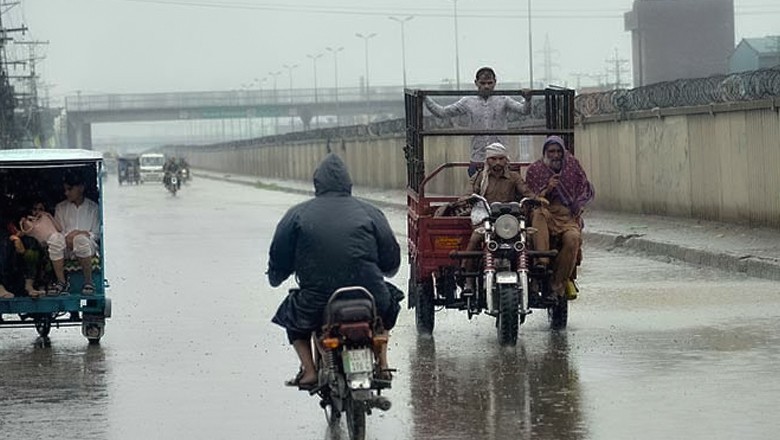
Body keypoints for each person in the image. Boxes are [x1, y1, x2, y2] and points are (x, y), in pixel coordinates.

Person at [267, 153, 403, 390]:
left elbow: (280, 255)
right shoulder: (371, 212)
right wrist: (386, 272)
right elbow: (390, 258)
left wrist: (276, 276)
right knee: (387, 307)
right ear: (347, 183)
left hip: (318, 298)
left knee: (292, 314)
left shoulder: (297, 214)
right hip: (369, 294)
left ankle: (308, 370)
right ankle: (382, 364)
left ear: (317, 184)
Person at [424, 67, 532, 177]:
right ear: (476, 83)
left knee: (501, 192)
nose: (486, 86)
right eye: (483, 83)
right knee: (477, 191)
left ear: (495, 82)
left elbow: (524, 111)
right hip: (478, 158)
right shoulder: (468, 101)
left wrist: (528, 99)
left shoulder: (503, 100)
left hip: (500, 158)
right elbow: (442, 112)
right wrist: (425, 98)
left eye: (489, 83)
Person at [525, 135, 595, 299]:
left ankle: (558, 284)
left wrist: (578, 205)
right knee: (539, 213)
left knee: (573, 238)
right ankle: (542, 262)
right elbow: (530, 198)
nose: (555, 155)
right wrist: (547, 189)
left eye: (558, 151)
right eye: (551, 151)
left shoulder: (573, 166)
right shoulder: (535, 170)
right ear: (545, 152)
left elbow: (584, 189)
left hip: (566, 216)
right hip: (544, 212)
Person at [461, 142, 536, 294]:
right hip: (487, 220)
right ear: (487, 160)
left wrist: (534, 198)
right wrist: (467, 198)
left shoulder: (514, 177)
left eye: (501, 159)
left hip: (510, 222)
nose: (497, 163)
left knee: (529, 240)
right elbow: (469, 192)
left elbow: (525, 191)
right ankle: (468, 278)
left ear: (506, 160)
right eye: (493, 159)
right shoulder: (480, 177)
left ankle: (534, 281)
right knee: (476, 238)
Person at [50, 171, 101, 296]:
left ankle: (88, 282)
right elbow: (59, 231)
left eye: (70, 189)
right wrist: (68, 237)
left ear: (81, 188)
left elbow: (96, 234)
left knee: (80, 240)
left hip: (88, 246)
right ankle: (61, 282)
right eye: (65, 190)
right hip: (66, 246)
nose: (66, 193)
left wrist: (81, 234)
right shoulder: (60, 207)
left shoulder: (93, 208)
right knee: (54, 239)